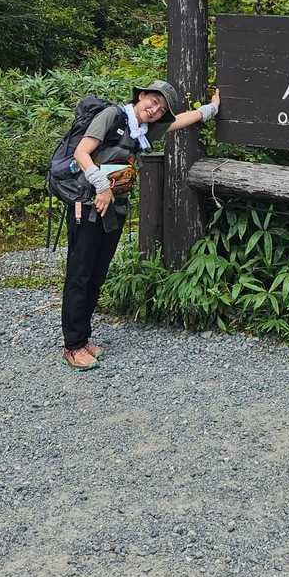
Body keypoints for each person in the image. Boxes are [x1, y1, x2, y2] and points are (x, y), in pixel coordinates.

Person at [61, 79, 220, 370]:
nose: (155, 109)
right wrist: (101, 186)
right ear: (141, 95)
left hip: (113, 208)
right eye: (153, 101)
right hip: (88, 203)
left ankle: (83, 338)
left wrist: (212, 108)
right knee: (80, 274)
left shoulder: (143, 131)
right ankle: (73, 346)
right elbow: (81, 152)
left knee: (97, 273)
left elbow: (181, 120)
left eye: (161, 109)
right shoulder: (112, 116)